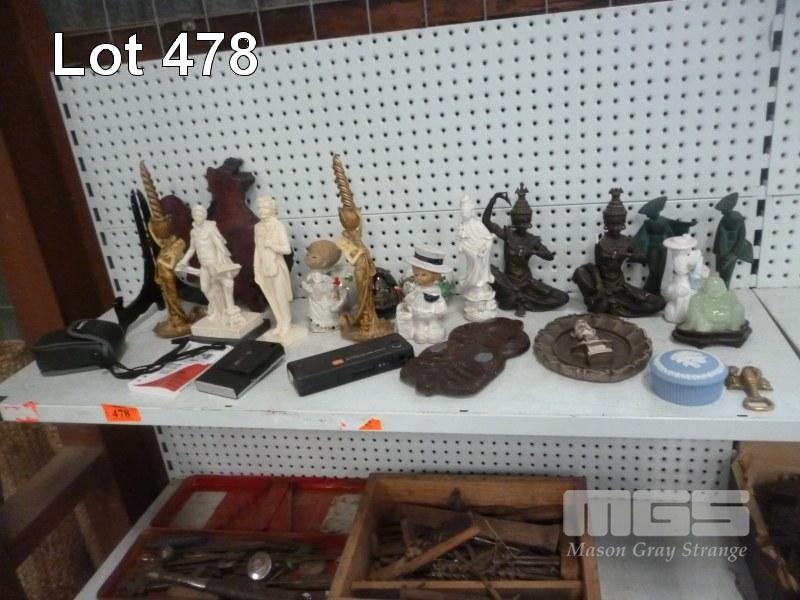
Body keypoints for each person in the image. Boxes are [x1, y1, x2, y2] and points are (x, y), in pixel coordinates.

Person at [482, 183, 568, 316]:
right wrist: (494, 199)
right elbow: (486, 222)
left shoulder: (532, 240)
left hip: (527, 282)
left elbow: (549, 256)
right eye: (519, 222)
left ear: (529, 221)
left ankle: (521, 299)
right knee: (486, 268)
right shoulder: (508, 235)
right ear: (514, 221)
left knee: (563, 297)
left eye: (524, 222)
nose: (522, 226)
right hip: (509, 281)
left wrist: (533, 252)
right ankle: (518, 298)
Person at [177, 204, 242, 325]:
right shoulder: (193, 232)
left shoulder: (210, 228)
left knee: (222, 285)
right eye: (196, 215)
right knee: (205, 288)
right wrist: (184, 260)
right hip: (204, 265)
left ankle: (227, 312)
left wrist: (225, 256)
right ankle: (217, 309)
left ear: (204, 216)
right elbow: (192, 248)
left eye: (200, 214)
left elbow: (218, 243)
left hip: (214, 263)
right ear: (193, 216)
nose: (198, 217)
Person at [253, 197, 294, 340]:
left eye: (264, 208)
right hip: (263, 267)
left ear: (272, 209)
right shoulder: (257, 227)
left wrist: (272, 245)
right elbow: (257, 250)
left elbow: (287, 249)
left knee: (280, 296)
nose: (261, 211)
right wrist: (256, 269)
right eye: (260, 208)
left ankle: (287, 323)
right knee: (270, 296)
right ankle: (280, 322)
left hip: (276, 266)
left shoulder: (278, 226)